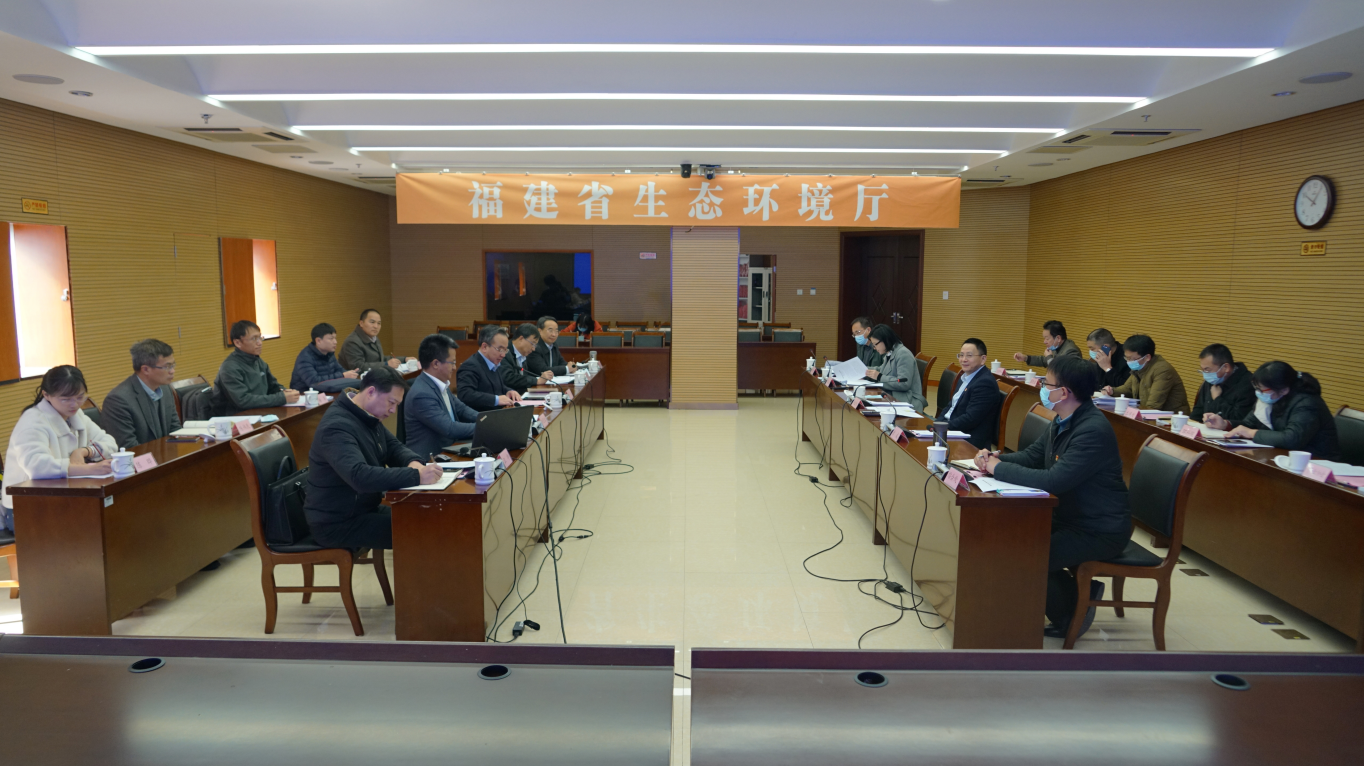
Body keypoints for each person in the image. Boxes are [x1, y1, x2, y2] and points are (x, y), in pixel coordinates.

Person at [975, 356, 1131, 640]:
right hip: (1070, 517)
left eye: (1047, 384)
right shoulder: (1063, 419)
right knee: (1009, 537)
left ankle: (1072, 613)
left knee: (1028, 552)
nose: (1042, 388)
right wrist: (994, 460)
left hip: (1099, 528)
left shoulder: (1092, 430)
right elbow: (1033, 457)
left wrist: (999, 469)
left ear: (1064, 392)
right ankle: (1071, 595)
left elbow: (1054, 480)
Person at [304, 367, 442, 550]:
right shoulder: (336, 427)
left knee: (430, 518)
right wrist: (417, 476)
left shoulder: (366, 414)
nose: (393, 410)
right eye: (391, 402)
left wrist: (414, 464)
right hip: (336, 522)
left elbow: (393, 447)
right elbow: (359, 476)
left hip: (363, 508)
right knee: (421, 530)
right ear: (371, 392)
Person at [2, 366, 119, 532]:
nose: (75, 404)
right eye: (66, 399)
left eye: (80, 397)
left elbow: (110, 443)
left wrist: (83, 451)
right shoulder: (32, 422)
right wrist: (89, 469)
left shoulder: (76, 415)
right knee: (89, 530)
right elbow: (37, 467)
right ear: (46, 395)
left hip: (64, 497)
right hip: (26, 506)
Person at [1204, 361, 1342, 460]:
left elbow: (1292, 439)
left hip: (1318, 464)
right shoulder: (1271, 396)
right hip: (1284, 457)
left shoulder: (1307, 403)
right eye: (1256, 388)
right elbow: (1248, 424)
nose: (1258, 393)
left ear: (1284, 390)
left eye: (1262, 389)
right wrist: (1225, 424)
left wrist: (1252, 433)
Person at [405, 333, 480, 457]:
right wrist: (483, 427)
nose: (455, 367)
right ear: (435, 364)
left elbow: (462, 409)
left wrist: (485, 419)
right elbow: (449, 428)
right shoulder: (422, 394)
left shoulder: (439, 383)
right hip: (430, 459)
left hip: (449, 449)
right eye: (452, 362)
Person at [102, 338, 183, 449]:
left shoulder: (165, 389)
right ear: (145, 369)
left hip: (166, 456)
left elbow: (175, 431)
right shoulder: (118, 400)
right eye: (167, 366)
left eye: (173, 365)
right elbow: (129, 448)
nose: (172, 371)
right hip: (140, 459)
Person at [213, 320, 299, 415]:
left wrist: (285, 391)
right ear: (238, 343)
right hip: (236, 417)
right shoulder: (229, 368)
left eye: (260, 337)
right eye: (254, 339)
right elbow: (243, 401)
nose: (259, 343)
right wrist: (282, 398)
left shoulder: (258, 361)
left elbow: (273, 387)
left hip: (259, 412)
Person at [941, 338, 1002, 449]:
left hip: (968, 440)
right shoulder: (965, 376)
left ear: (983, 359)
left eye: (969, 355)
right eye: (961, 355)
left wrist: (942, 427)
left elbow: (970, 419)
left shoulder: (985, 383)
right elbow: (950, 406)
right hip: (953, 429)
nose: (963, 359)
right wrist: (937, 424)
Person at [1103, 335, 1189, 413]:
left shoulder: (1163, 371)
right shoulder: (1140, 367)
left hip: (1171, 419)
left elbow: (1153, 405)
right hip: (1148, 413)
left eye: (1132, 359)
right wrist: (1112, 391)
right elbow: (1128, 388)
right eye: (1127, 358)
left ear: (1147, 357)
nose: (1129, 362)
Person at [456, 326, 523, 411]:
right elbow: (465, 395)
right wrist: (496, 400)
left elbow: (497, 387)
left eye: (505, 350)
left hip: (497, 413)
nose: (503, 355)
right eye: (500, 349)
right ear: (484, 347)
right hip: (480, 416)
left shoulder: (493, 362)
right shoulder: (470, 366)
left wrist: (509, 391)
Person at [863, 324, 927, 412]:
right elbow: (882, 370)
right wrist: (864, 370)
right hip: (892, 395)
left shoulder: (903, 354)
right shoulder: (890, 352)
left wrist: (879, 377)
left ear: (885, 340)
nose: (874, 348)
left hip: (906, 400)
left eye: (875, 344)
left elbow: (904, 383)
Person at [1189, 344, 1255, 425]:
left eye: (1207, 370)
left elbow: (1239, 420)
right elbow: (1198, 412)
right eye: (1203, 370)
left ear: (1226, 367)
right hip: (1206, 429)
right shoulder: (1212, 380)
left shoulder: (1248, 385)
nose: (1205, 374)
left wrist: (1217, 399)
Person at [291, 322, 361, 392]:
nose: (335, 342)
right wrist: (343, 375)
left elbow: (339, 370)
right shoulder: (305, 357)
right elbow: (314, 382)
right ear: (318, 341)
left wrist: (350, 373)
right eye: (331, 339)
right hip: (305, 394)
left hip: (325, 391)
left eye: (335, 338)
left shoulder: (329, 353)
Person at [341, 309, 414, 373]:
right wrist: (386, 364)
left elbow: (380, 359)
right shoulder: (352, 342)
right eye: (372, 322)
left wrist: (404, 359)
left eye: (379, 323)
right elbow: (358, 367)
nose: (376, 326)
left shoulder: (373, 337)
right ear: (361, 323)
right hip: (358, 381)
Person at [501, 324, 555, 393]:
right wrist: (536, 381)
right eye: (532, 343)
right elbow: (508, 378)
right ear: (521, 339)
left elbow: (523, 376)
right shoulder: (505, 352)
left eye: (535, 345)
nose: (533, 349)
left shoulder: (524, 353)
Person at [1014, 320, 1081, 368]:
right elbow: (1044, 360)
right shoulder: (1057, 346)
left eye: (1047, 338)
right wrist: (1026, 358)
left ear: (1058, 338)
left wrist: (1049, 357)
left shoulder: (1071, 351)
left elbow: (1062, 371)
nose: (1044, 342)